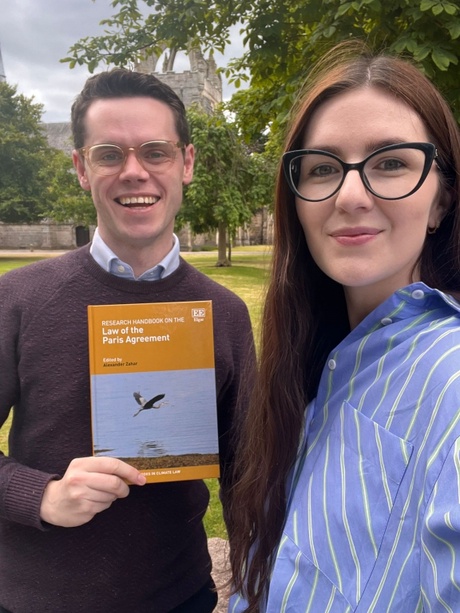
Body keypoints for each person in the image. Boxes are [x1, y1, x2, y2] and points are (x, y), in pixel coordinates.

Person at [0, 68, 254, 613]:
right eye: (110, 153)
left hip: (177, 598)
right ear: (80, 169)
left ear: (186, 163)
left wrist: (257, 586)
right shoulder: (17, 299)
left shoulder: (226, 314)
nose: (134, 172)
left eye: (155, 152)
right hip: (36, 600)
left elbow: (245, 473)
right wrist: (40, 495)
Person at [227, 40, 460, 613]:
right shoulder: (317, 361)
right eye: (323, 168)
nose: (350, 195)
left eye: (391, 163)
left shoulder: (449, 375)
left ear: (441, 202)